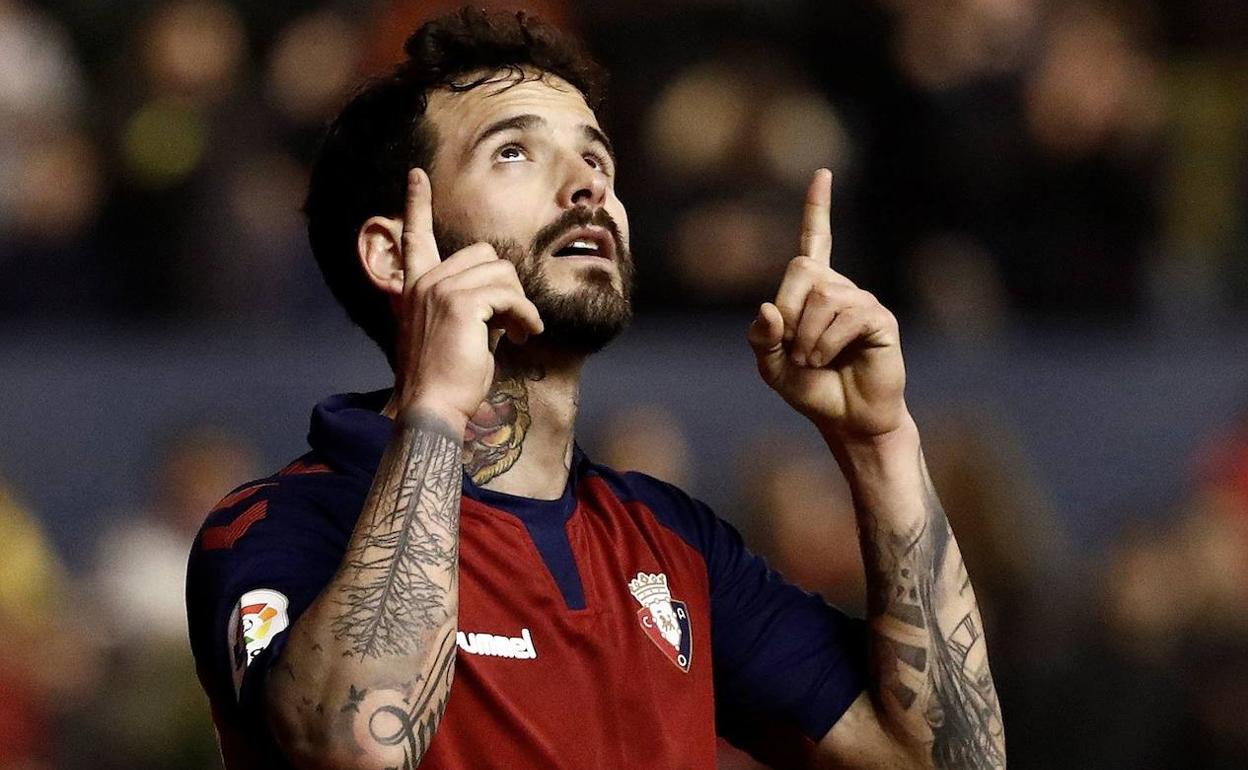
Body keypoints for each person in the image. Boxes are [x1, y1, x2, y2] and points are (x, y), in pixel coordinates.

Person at [186, 8, 1005, 769]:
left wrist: (879, 444)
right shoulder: (280, 524)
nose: (588, 188)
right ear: (398, 255)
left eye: (597, 159)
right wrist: (436, 407)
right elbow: (355, 748)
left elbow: (949, 760)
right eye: (514, 151)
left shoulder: (671, 543)